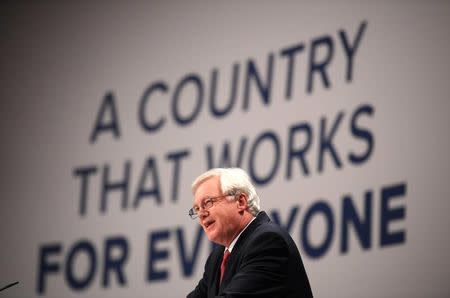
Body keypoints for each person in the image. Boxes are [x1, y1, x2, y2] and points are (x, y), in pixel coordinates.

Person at [187, 168, 313, 298]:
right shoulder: (217, 257)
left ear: (241, 202)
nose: (201, 214)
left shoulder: (268, 242)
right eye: (197, 209)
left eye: (208, 203)